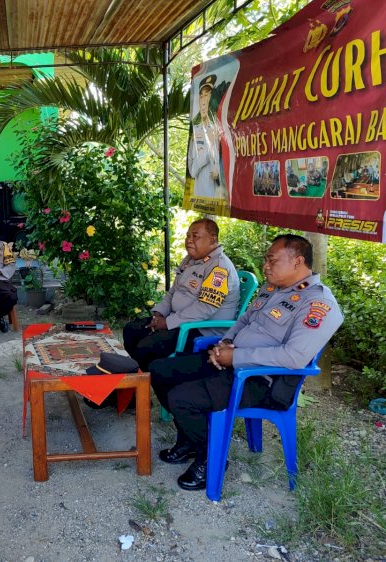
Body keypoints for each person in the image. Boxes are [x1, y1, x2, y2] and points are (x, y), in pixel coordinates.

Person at [150, 234, 343, 491]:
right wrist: (226, 343)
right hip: (233, 362)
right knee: (160, 370)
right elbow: (243, 321)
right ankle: (190, 441)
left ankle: (210, 458)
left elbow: (294, 357)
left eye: (272, 260)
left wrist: (236, 357)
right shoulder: (272, 288)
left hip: (261, 381)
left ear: (297, 262)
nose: (266, 265)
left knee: (181, 397)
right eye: (266, 260)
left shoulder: (318, 303)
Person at [122, 219, 240, 370]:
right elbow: (173, 291)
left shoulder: (219, 268)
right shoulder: (190, 260)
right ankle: (134, 381)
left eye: (195, 236)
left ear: (212, 239)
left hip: (200, 329)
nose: (189, 240)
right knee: (132, 330)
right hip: (178, 319)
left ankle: (142, 383)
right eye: (187, 236)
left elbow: (204, 309)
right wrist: (159, 314)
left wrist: (168, 323)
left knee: (147, 347)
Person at [188, 74, 227, 201]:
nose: (203, 101)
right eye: (201, 96)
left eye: (207, 95)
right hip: (201, 197)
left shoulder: (220, 130)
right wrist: (207, 154)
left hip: (219, 197)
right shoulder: (196, 131)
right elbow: (192, 171)